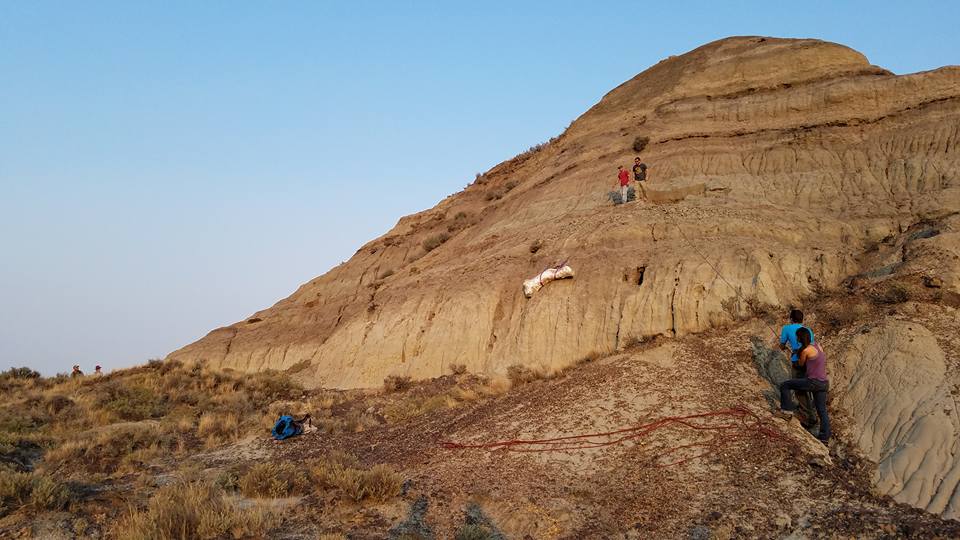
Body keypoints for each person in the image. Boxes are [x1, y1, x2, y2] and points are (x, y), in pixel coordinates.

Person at [777, 327, 830, 444]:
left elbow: (801, 364)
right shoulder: (818, 346)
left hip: (813, 382)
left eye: (797, 337)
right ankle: (824, 437)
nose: (796, 338)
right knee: (822, 410)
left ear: (800, 338)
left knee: (785, 385)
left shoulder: (805, 351)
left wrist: (791, 353)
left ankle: (786, 412)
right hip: (824, 383)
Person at [778, 309, 815, 425]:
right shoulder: (808, 330)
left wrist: (784, 347)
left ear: (791, 319)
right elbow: (811, 345)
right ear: (802, 319)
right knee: (807, 386)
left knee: (799, 389)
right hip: (809, 361)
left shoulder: (786, 329)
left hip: (797, 361)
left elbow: (782, 344)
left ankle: (808, 415)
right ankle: (810, 410)